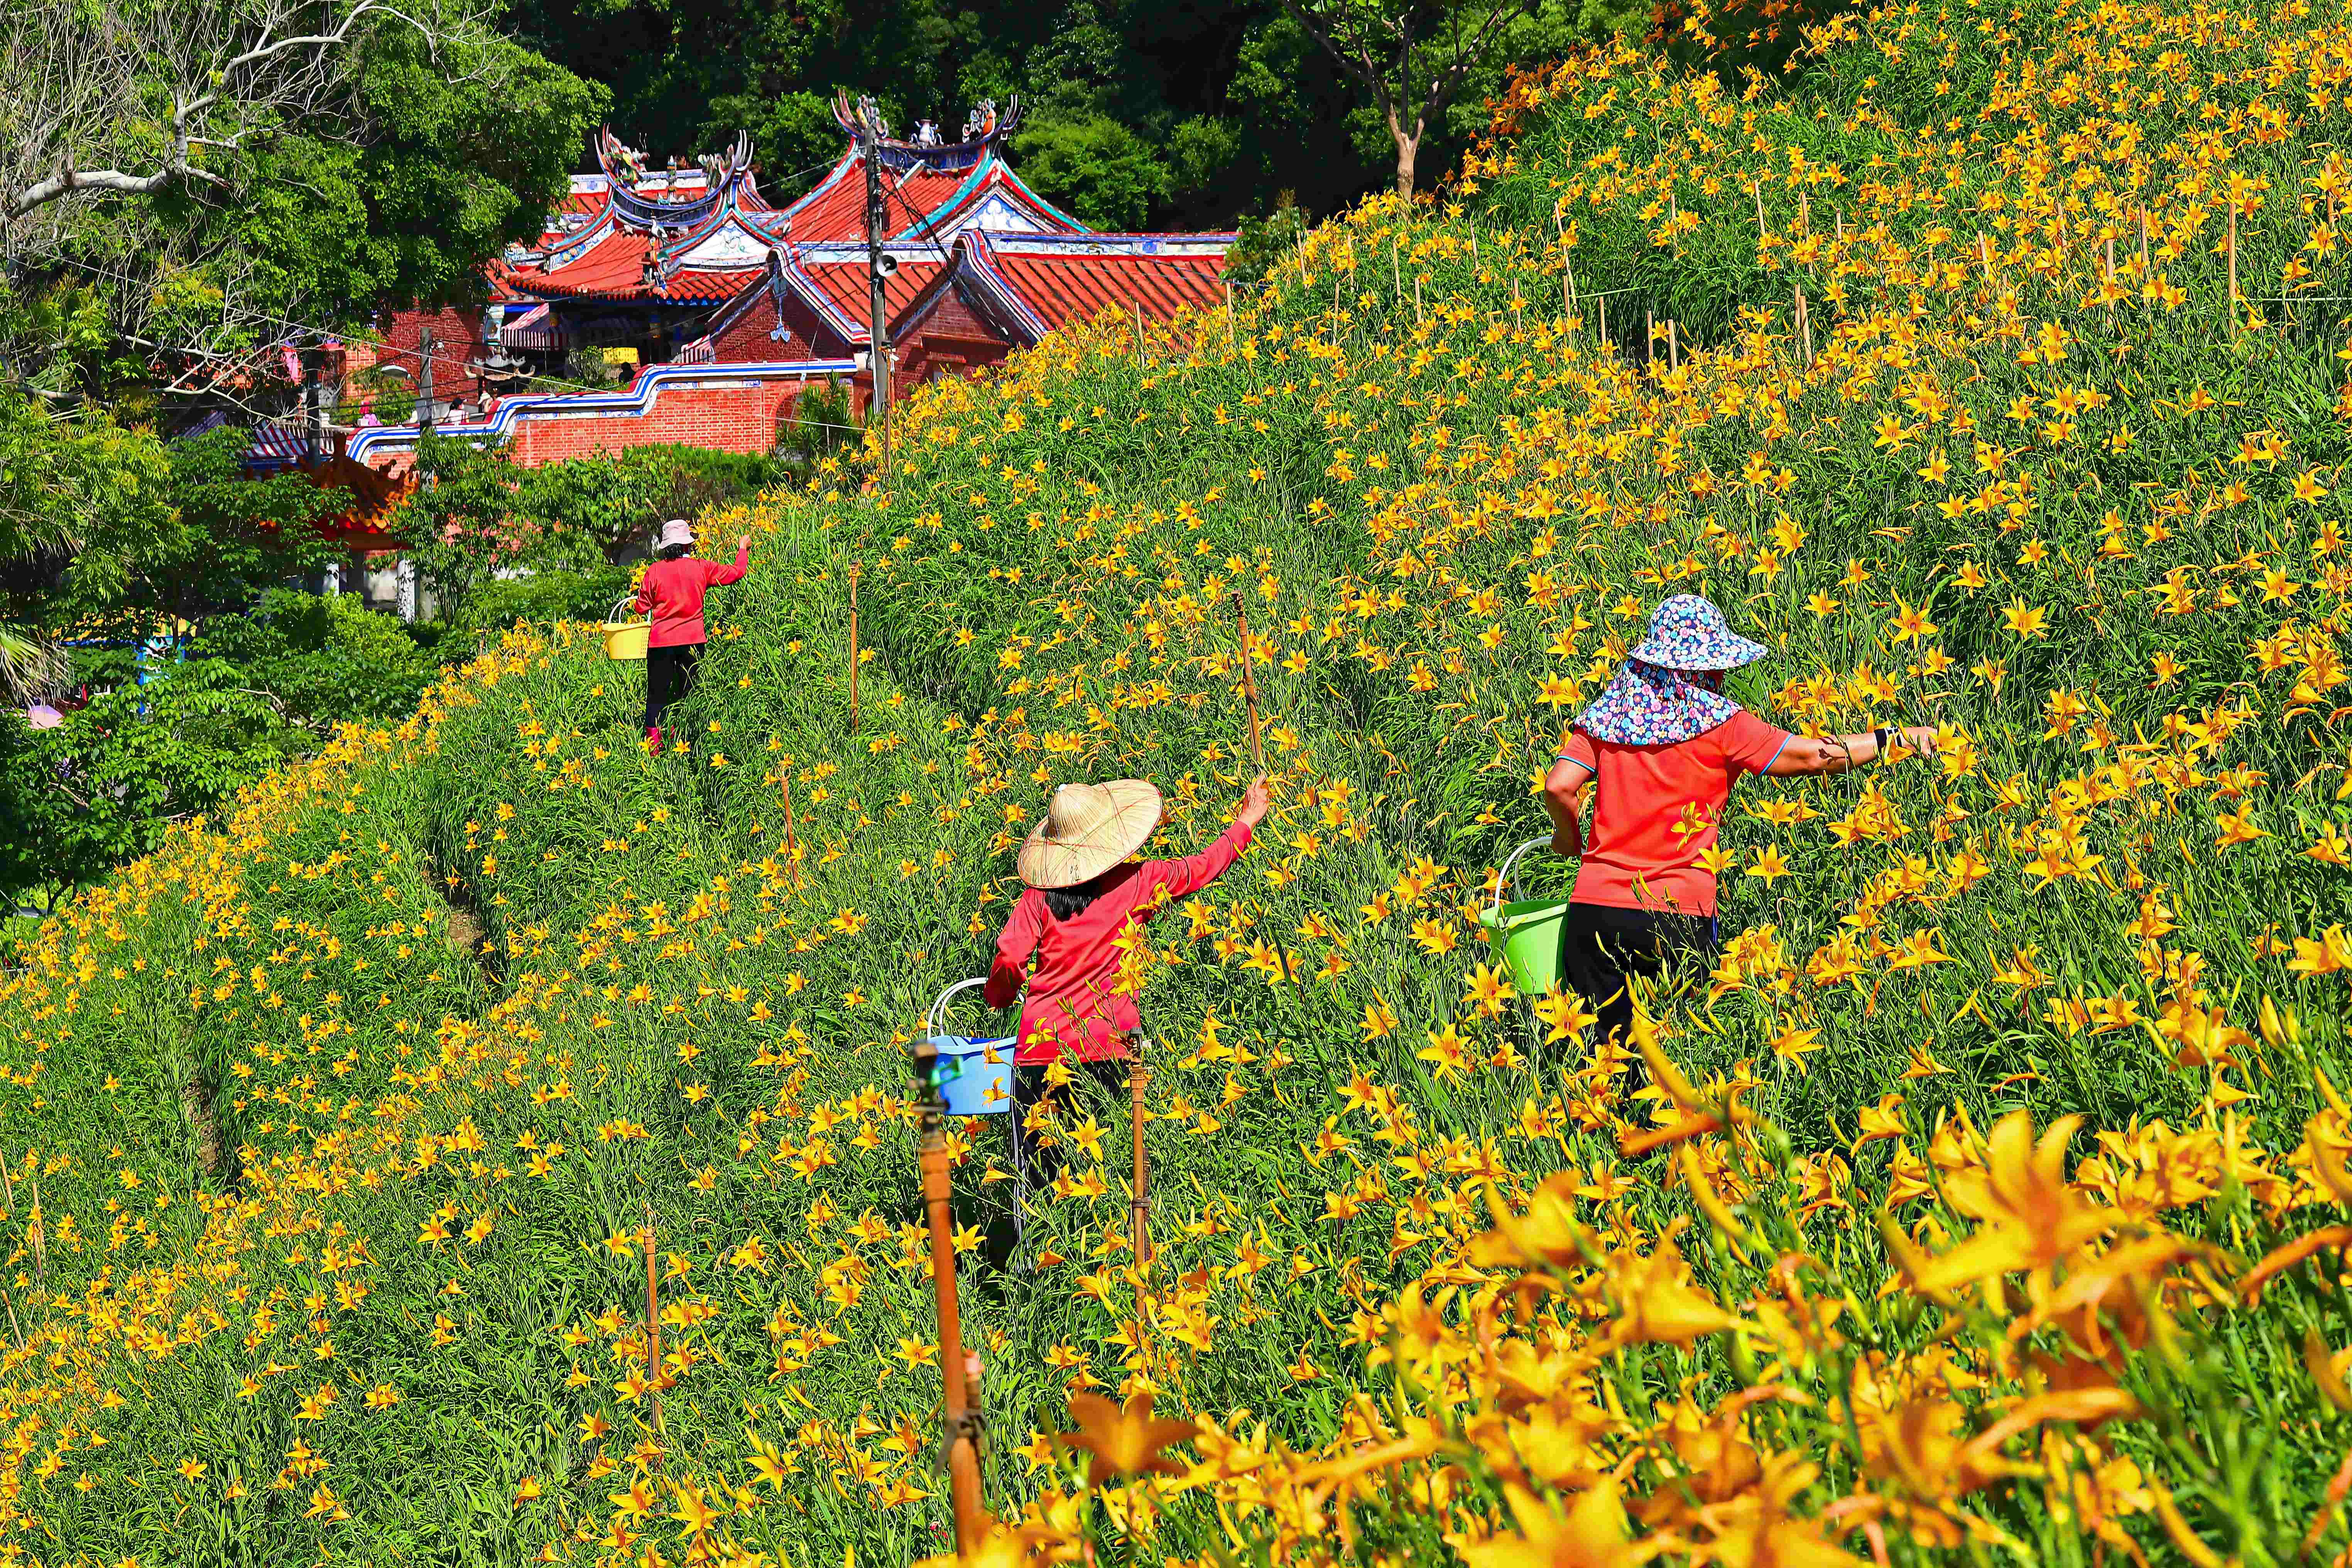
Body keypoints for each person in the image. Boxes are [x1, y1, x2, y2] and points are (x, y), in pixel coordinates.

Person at [1540, 593, 1935, 1063]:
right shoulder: (1723, 724)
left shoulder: (1605, 717)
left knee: (1605, 1065)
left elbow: (1560, 787)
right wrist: (1895, 738)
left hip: (1594, 910)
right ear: (1706, 667)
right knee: (1682, 1060)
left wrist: (1570, 840)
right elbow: (1814, 755)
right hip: (1675, 916)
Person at [981, 773, 1272, 1267]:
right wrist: (1246, 820)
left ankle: (1034, 1272)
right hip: (1112, 1052)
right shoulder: (1140, 880)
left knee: (1033, 1169)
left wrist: (1000, 995)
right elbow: (1202, 868)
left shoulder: (1037, 898)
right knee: (1107, 1168)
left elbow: (1009, 959)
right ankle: (1107, 1265)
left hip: (1040, 1053)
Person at [633, 518, 750, 749]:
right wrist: (742, 548)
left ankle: (655, 749)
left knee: (657, 695)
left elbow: (642, 607)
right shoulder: (701, 568)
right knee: (688, 694)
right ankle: (686, 745)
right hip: (693, 642)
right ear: (687, 545)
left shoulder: (654, 571)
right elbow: (737, 573)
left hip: (661, 644)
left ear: (666, 546)